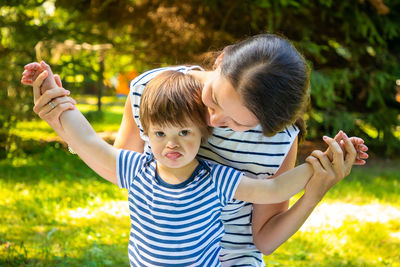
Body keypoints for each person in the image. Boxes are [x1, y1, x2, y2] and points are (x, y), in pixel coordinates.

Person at [22, 34, 368, 266]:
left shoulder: (267, 145)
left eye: (238, 123)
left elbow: (265, 228)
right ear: (219, 62)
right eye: (215, 100)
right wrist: (59, 115)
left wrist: (317, 180)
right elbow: (108, 158)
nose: (214, 120)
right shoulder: (154, 91)